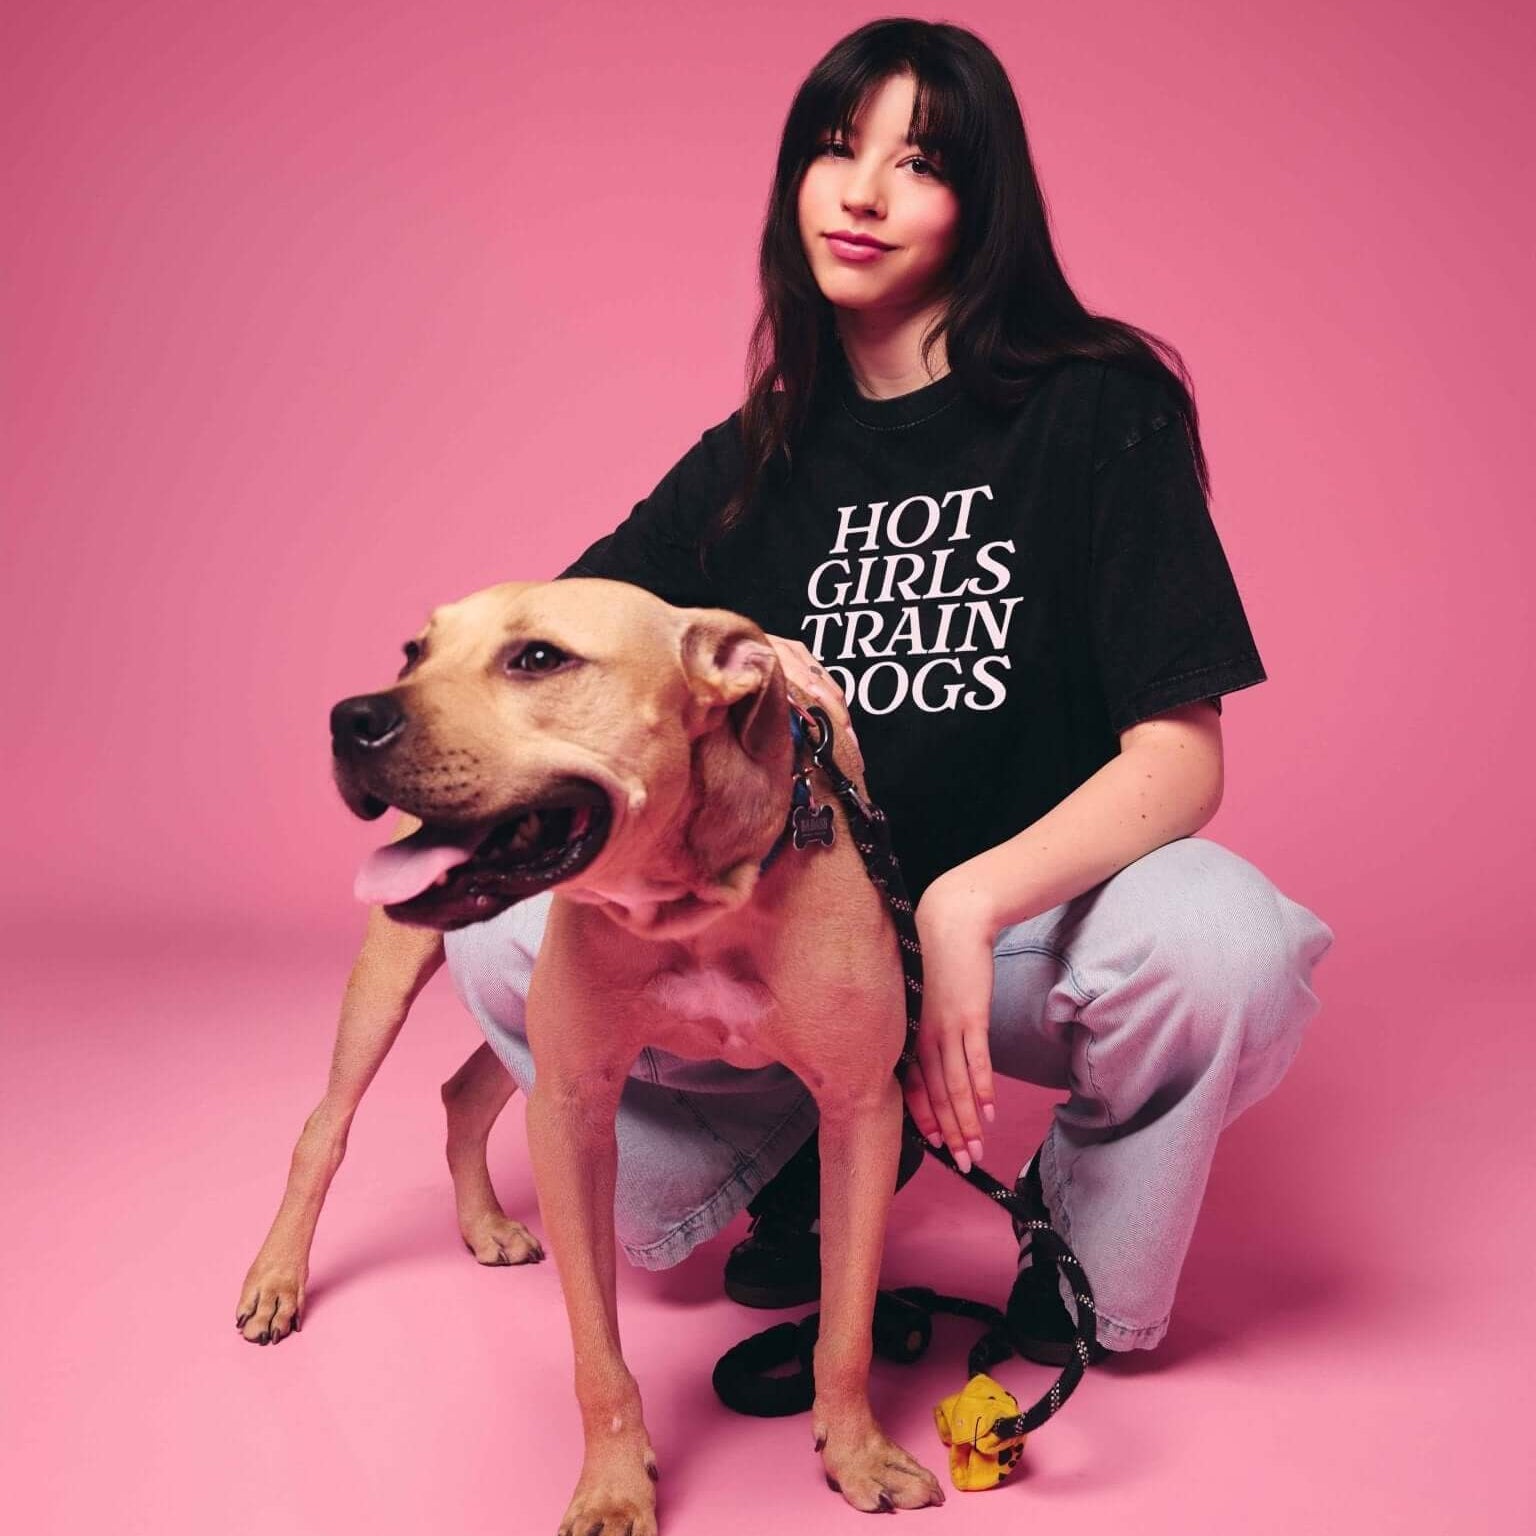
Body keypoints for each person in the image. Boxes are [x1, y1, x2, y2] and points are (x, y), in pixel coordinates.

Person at [443, 17, 1335, 1363]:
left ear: (981, 208)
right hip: (795, 947)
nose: (860, 193)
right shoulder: (751, 458)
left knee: (1224, 942)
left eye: (916, 163)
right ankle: (807, 1147)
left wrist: (971, 907)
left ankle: (1081, 1248)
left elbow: (1181, 756)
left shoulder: (1097, 407)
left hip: (1036, 934)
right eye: (831, 150)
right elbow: (553, 653)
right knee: (501, 930)